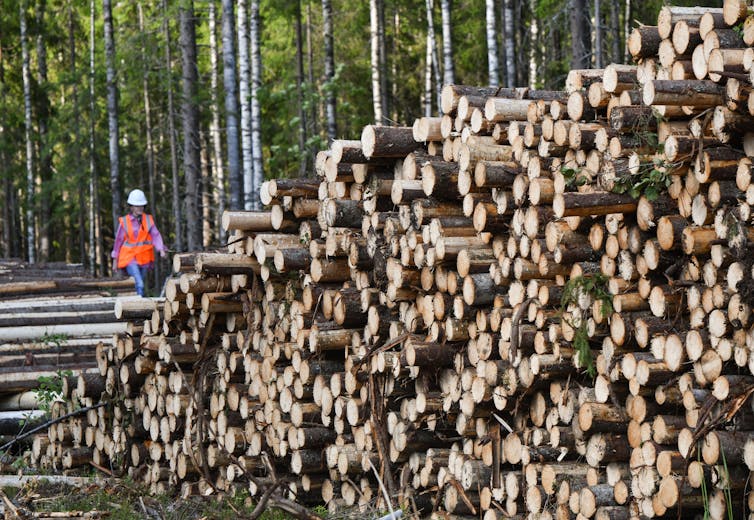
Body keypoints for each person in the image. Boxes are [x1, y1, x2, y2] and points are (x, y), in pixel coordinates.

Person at [111, 189, 168, 297]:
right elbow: (118, 241)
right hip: (129, 257)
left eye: (141, 205)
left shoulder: (148, 220)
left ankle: (134, 303)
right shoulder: (125, 221)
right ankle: (140, 306)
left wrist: (161, 249)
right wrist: (115, 259)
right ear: (131, 207)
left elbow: (155, 235)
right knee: (140, 284)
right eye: (137, 206)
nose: (140, 208)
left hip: (144, 258)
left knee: (139, 283)